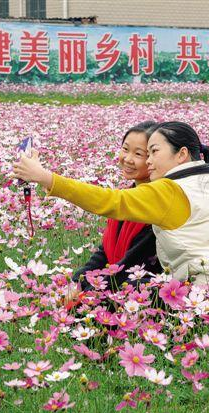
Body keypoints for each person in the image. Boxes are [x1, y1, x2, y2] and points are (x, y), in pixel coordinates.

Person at [13, 121, 209, 310]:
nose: (149, 161)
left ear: (182, 154)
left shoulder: (169, 190)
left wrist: (46, 178)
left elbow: (110, 201)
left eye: (152, 152)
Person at [72, 121, 162, 293]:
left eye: (138, 154)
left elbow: (129, 266)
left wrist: (88, 294)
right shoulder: (125, 196)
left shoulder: (157, 206)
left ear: (153, 159)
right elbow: (104, 253)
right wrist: (77, 282)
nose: (127, 159)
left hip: (142, 293)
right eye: (125, 149)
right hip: (114, 286)